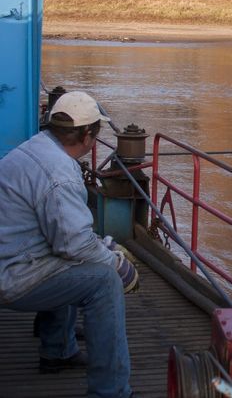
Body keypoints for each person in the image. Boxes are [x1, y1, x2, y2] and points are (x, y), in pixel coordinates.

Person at [0, 91, 135, 398]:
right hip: (11, 274)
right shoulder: (61, 173)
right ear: (88, 135)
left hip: (11, 255)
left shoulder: (35, 146)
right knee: (104, 281)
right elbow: (76, 247)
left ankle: (57, 350)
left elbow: (67, 239)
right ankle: (111, 391)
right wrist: (118, 264)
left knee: (73, 255)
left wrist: (99, 249)